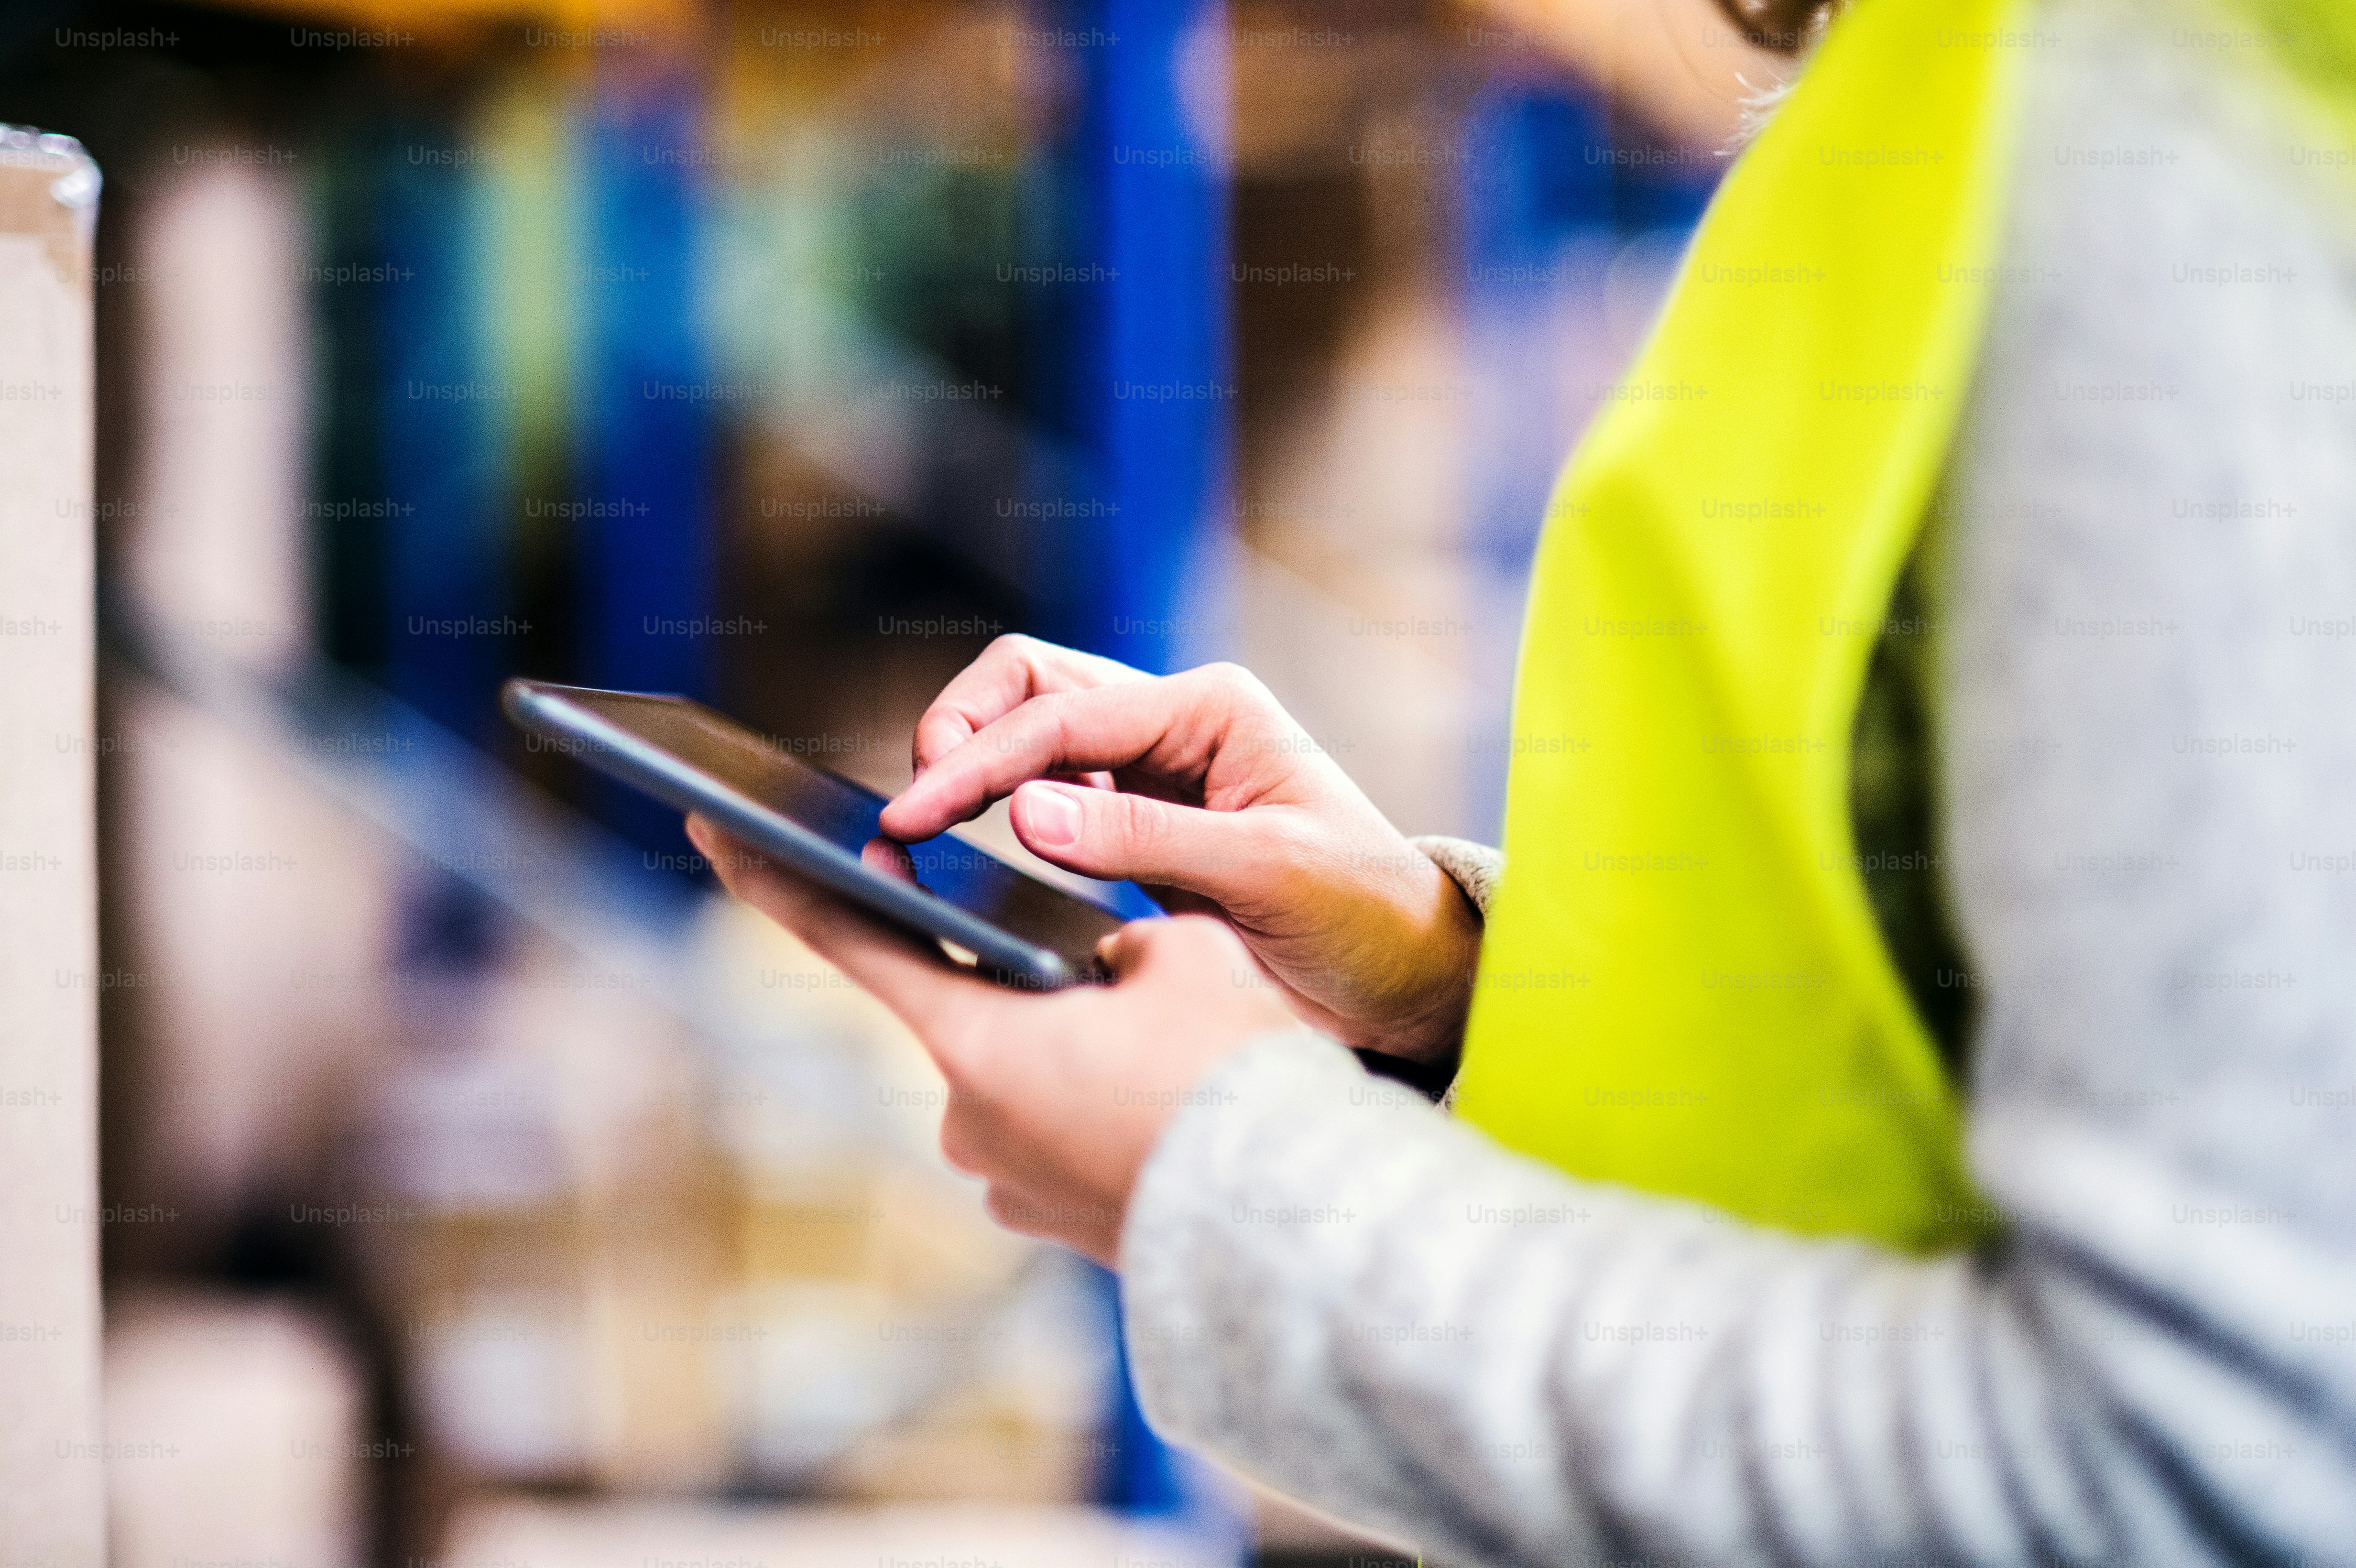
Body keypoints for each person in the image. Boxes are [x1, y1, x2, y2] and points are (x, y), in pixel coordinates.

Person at [688, 0, 2356, 1558]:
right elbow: (1893, 1043)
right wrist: (1462, 973)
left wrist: (1238, 1191)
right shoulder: (1948, 88)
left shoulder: (2144, 153)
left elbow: (2207, 1480)